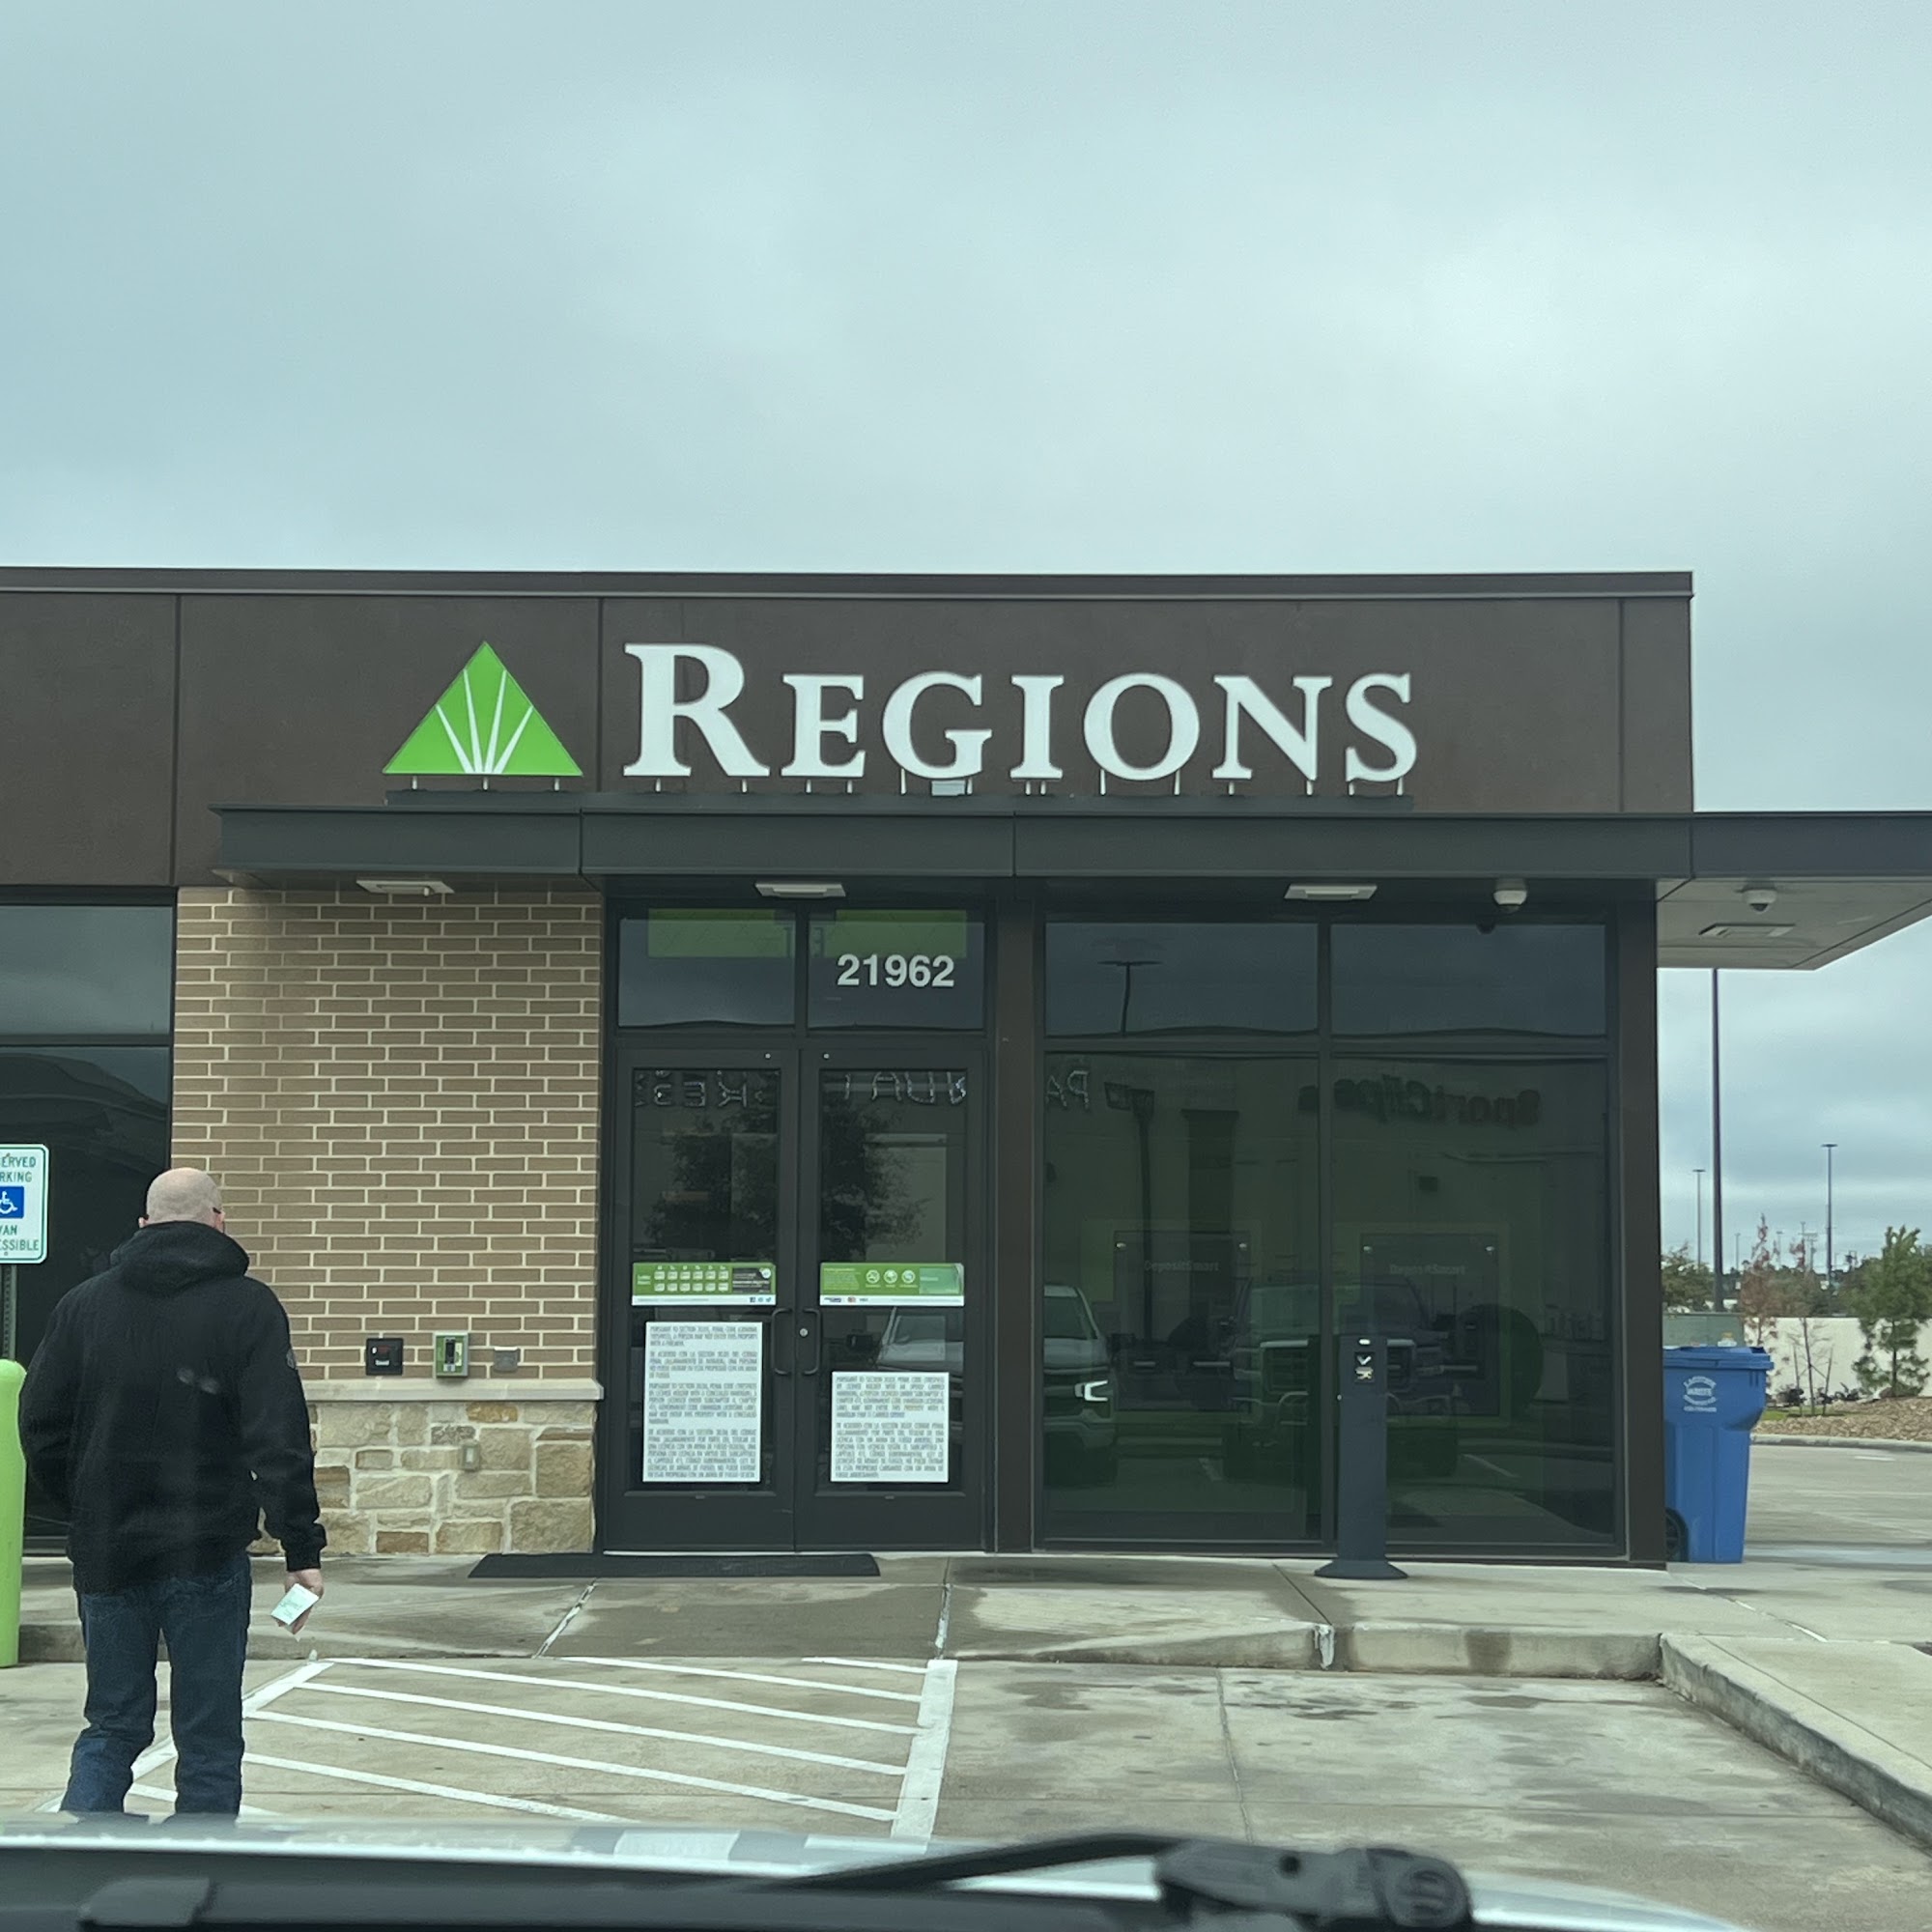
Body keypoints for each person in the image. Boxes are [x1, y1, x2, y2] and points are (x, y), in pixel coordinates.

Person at [20, 1167, 326, 1816]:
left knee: (112, 1723)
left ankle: (85, 1854)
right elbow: (279, 1437)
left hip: (108, 1550)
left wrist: (83, 1508)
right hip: (206, 1550)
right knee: (209, 1732)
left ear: (143, 1225)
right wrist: (301, 1547)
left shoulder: (83, 1306)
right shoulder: (249, 1307)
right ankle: (202, 1861)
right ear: (218, 1220)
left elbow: (40, 1425)